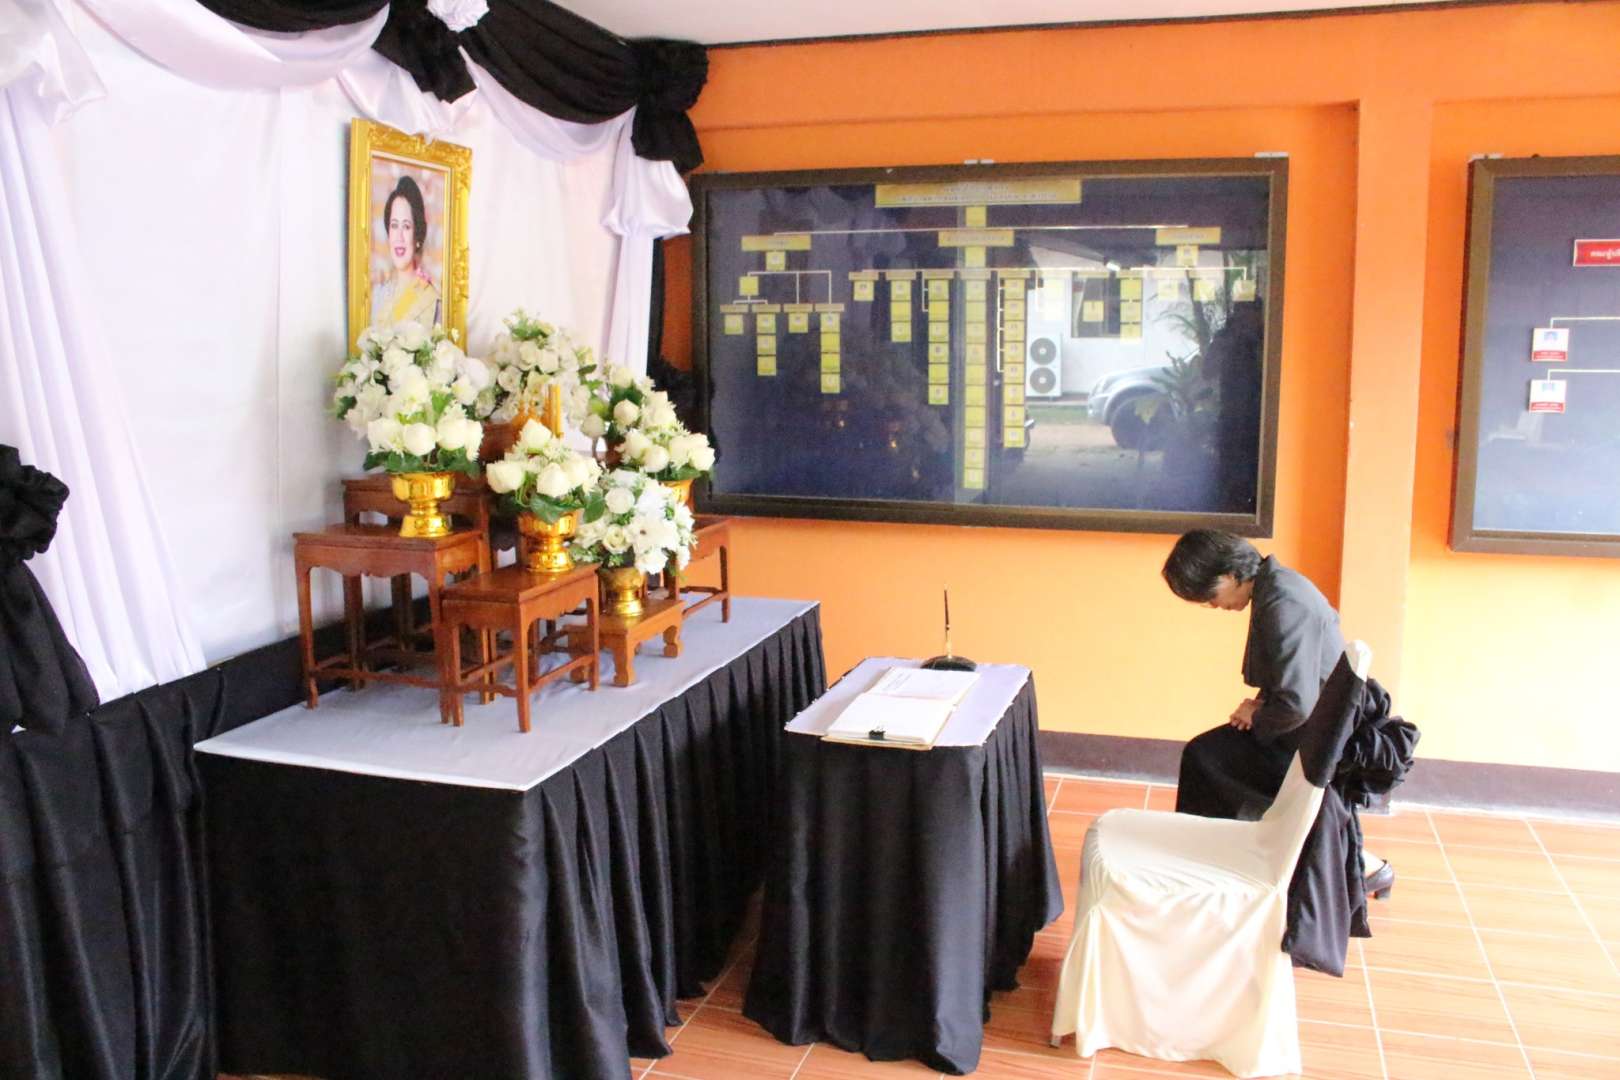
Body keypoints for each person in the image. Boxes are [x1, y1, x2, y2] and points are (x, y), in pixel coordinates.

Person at [1162, 529, 1392, 896]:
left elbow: (1297, 704)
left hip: (1318, 739)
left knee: (1206, 758)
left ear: (1230, 574)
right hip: (1315, 725)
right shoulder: (1277, 587)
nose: (1213, 605)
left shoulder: (1284, 603)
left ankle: (1211, 862)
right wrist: (1260, 707)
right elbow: (1293, 684)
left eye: (1210, 595)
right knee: (1209, 754)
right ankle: (1221, 856)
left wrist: (1257, 716)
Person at [372, 174, 441, 328]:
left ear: (417, 236)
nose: (399, 237)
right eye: (394, 225)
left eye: (407, 226)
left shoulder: (431, 300)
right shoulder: (378, 294)